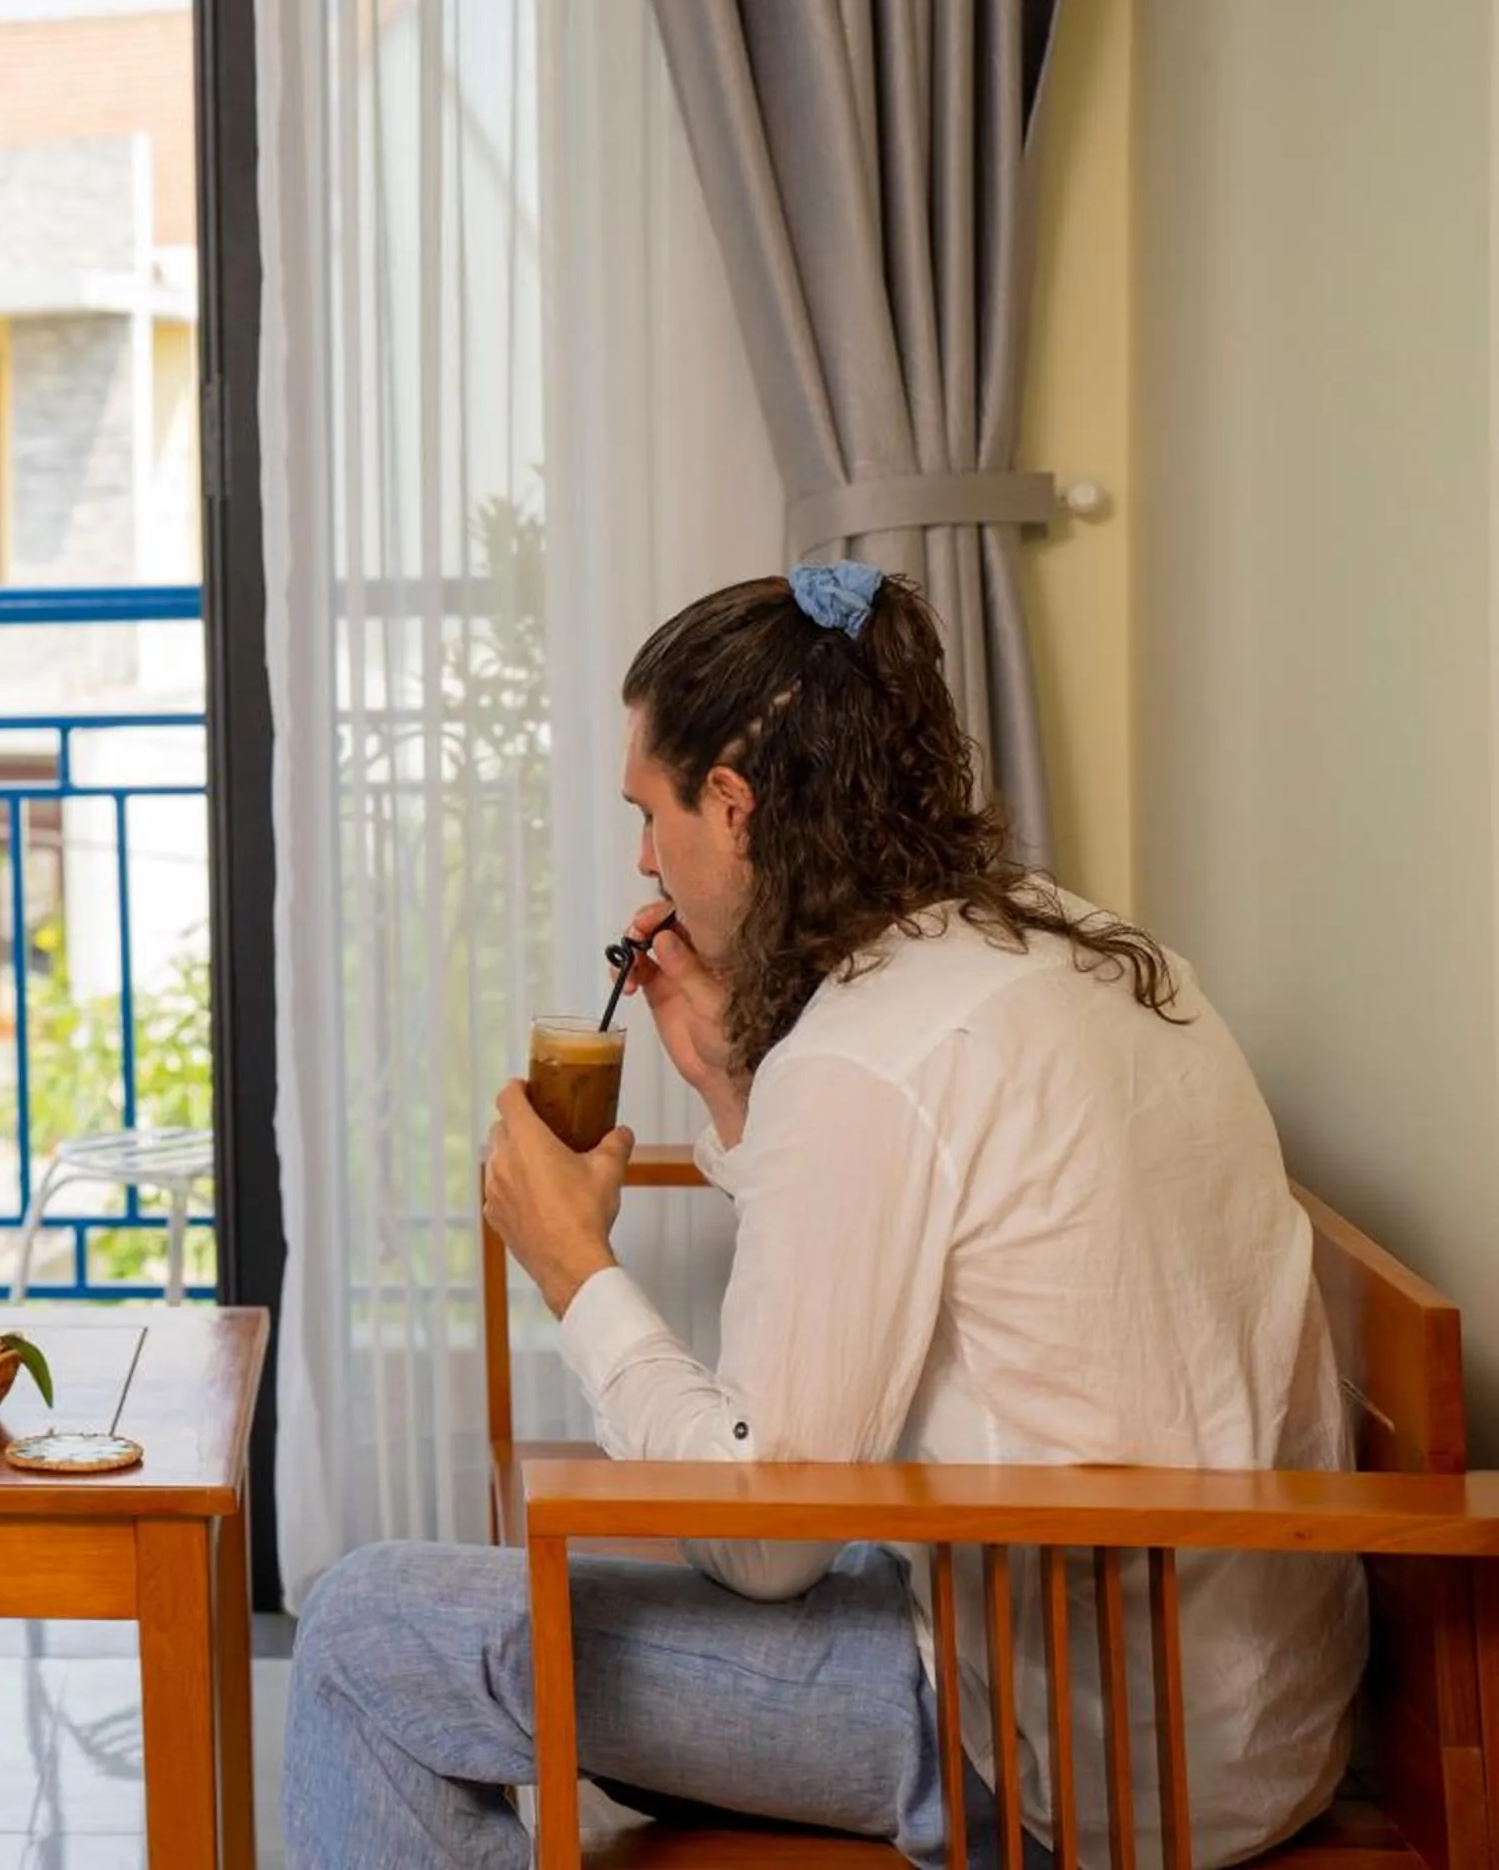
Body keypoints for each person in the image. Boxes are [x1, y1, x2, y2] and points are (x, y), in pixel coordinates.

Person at [281, 565, 1365, 1869]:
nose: (644, 859)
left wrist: (573, 1269)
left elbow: (763, 1545)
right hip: (1249, 1720)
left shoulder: (863, 1054)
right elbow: (904, 1276)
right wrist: (740, 1088)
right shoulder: (1087, 948)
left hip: (1069, 1760)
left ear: (733, 808)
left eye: (650, 812)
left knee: (364, 1627)